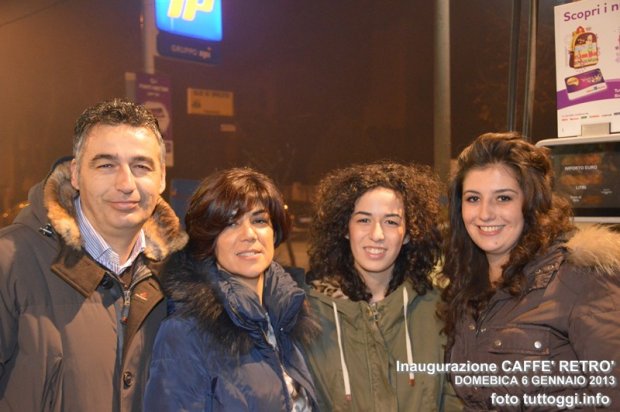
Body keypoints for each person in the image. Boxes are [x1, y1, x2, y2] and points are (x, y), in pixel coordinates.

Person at [0, 98, 187, 411]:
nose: (125, 184)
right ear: (75, 174)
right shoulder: (10, 262)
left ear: (162, 179)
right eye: (106, 165)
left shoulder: (182, 278)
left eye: (141, 166)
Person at [439, 132, 620, 411]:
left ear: (532, 203)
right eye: (473, 198)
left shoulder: (580, 278)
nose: (485, 213)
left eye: (503, 198)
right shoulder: (466, 287)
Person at [143, 167, 319, 411]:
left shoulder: (288, 313)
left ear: (274, 231)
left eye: (259, 221)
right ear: (209, 239)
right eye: (230, 223)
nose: (249, 235)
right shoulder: (185, 332)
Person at [302, 161, 461, 411]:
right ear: (346, 229)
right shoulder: (309, 313)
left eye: (391, 222)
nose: (377, 234)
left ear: (408, 233)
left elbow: (456, 398)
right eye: (364, 220)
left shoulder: (440, 310)